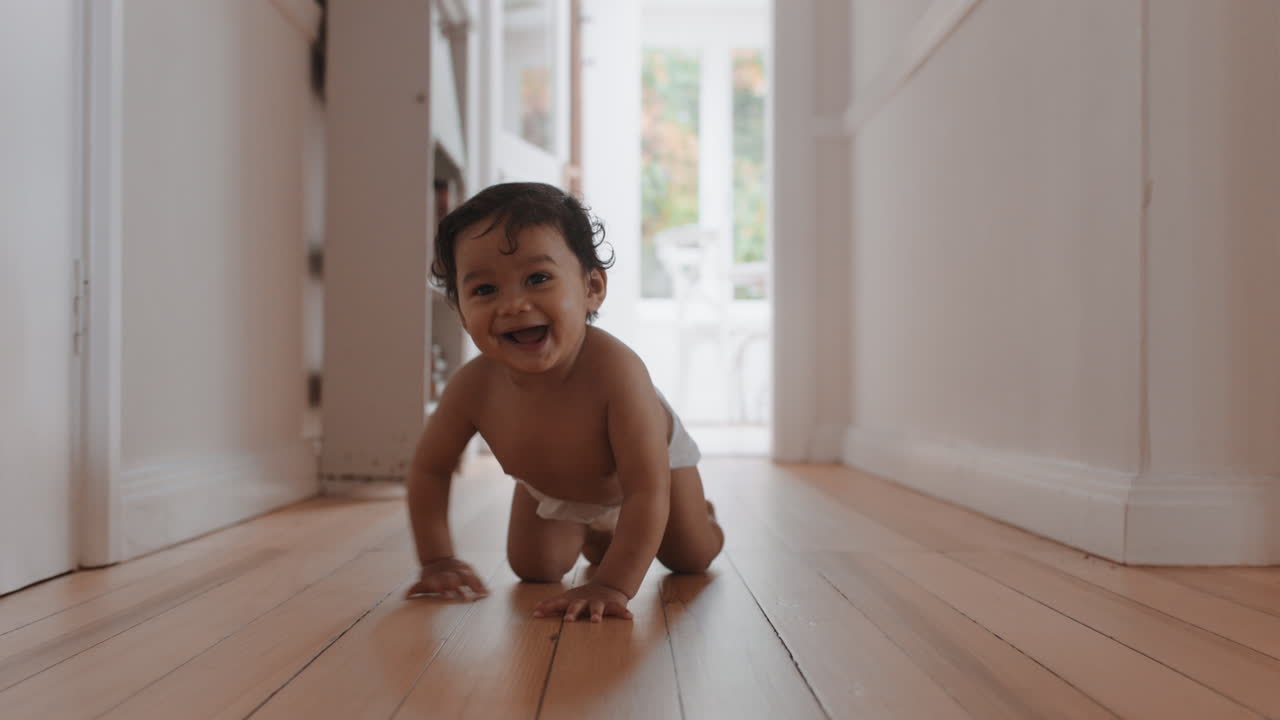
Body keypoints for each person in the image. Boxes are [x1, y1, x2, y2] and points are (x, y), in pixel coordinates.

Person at [405, 182, 724, 623]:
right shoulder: (473, 388)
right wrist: (437, 560)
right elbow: (429, 469)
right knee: (534, 569)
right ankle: (601, 534)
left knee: (691, 556)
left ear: (592, 287)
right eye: (484, 291)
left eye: (538, 279)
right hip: (551, 487)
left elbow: (646, 490)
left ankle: (697, 518)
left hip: (651, 477)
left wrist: (611, 585)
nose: (514, 304)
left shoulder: (618, 374)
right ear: (460, 312)